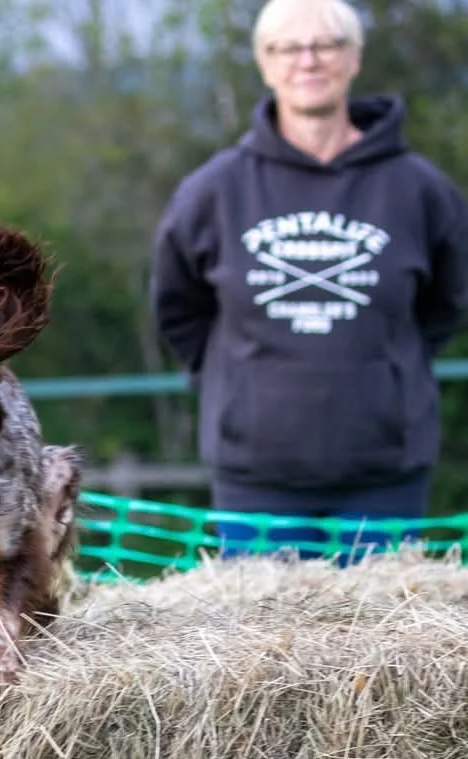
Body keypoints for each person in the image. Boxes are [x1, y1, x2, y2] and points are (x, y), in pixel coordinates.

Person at [149, 0, 468, 565]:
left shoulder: (421, 190)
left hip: (384, 476)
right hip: (257, 478)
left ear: (353, 58)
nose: (308, 60)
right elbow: (179, 311)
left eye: (326, 44)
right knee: (261, 648)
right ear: (264, 63)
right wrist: (242, 385)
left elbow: (445, 305)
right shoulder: (212, 192)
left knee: (386, 644)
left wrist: (386, 373)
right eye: (288, 47)